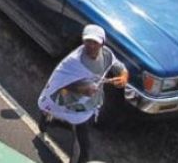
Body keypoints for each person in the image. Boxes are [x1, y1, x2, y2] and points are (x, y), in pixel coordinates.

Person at [38, 25, 128, 163]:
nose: (91, 46)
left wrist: (123, 77)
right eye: (88, 41)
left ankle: (51, 121)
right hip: (73, 104)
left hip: (90, 103)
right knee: (83, 147)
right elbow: (60, 84)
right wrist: (82, 89)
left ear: (102, 43)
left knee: (84, 125)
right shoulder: (73, 62)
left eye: (95, 42)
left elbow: (119, 66)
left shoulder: (107, 54)